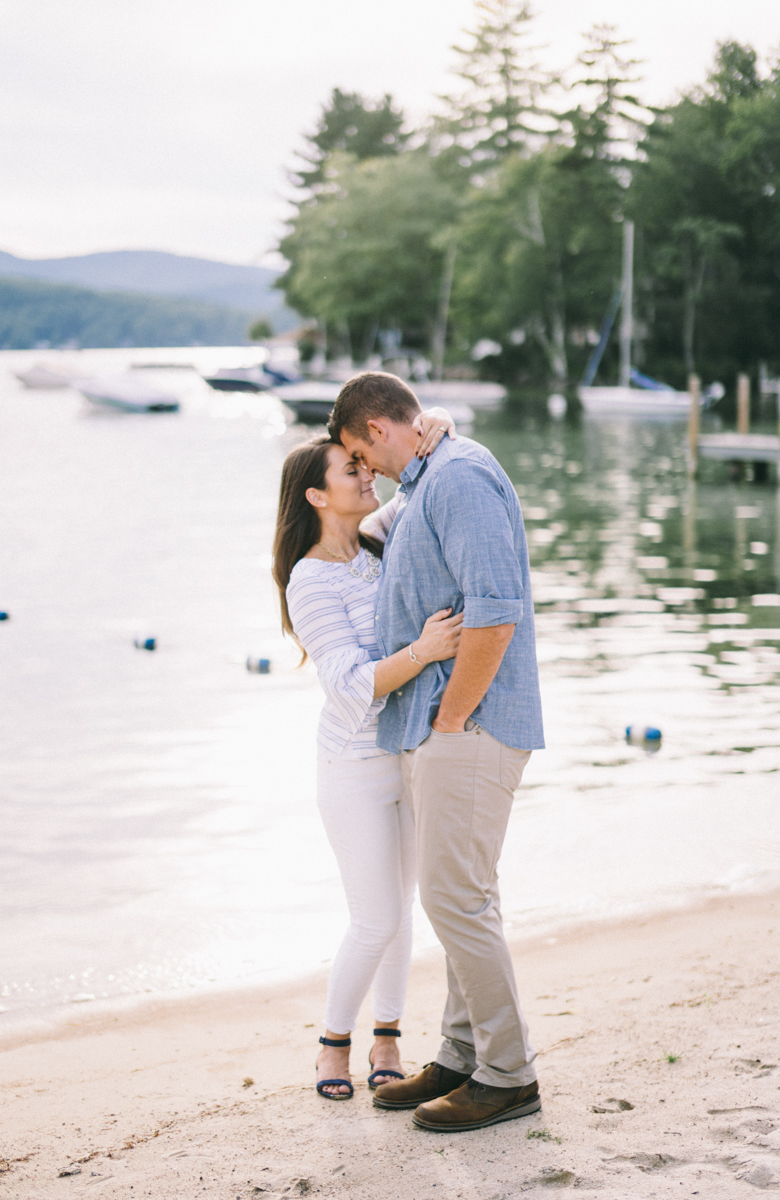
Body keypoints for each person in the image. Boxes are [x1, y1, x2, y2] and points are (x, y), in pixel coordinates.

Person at [328, 372, 545, 1132]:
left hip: (471, 724)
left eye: (362, 453)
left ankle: (509, 1074)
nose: (366, 468)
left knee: (455, 901)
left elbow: (495, 611)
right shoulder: (428, 478)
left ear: (380, 430)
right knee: (460, 899)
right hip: (440, 724)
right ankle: (462, 1056)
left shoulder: (458, 476)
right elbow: (372, 529)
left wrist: (452, 717)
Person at [272, 408, 461, 1100]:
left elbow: (420, 478)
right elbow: (349, 683)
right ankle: (332, 1043)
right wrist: (425, 651)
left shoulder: (377, 540)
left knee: (403, 911)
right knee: (374, 916)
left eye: (362, 462)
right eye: (350, 470)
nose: (365, 473)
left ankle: (388, 1035)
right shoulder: (309, 579)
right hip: (352, 763)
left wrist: (435, 420)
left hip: (407, 751)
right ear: (316, 497)